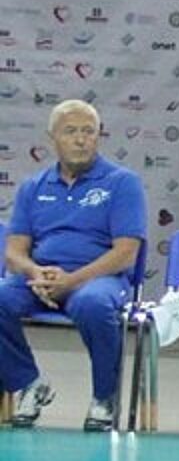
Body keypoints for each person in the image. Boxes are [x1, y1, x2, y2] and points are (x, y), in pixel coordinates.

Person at [1, 99, 147, 431]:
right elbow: (14, 252)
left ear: (98, 136)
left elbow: (126, 253)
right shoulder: (33, 186)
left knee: (93, 304)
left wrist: (72, 280)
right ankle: (28, 384)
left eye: (88, 132)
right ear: (52, 137)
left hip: (100, 278)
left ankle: (104, 398)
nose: (81, 140)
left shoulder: (122, 182)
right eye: (70, 132)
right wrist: (36, 272)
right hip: (43, 278)